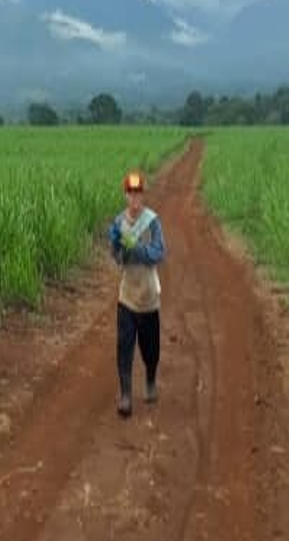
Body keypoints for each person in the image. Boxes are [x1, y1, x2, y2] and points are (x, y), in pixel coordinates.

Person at [109, 170, 166, 418]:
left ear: (143, 195)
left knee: (150, 350)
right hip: (127, 296)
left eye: (138, 193)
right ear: (125, 195)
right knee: (124, 347)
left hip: (149, 298)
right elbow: (117, 259)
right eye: (131, 193)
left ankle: (151, 380)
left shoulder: (152, 222)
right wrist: (117, 245)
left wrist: (137, 247)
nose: (134, 198)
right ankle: (125, 396)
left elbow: (158, 253)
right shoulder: (119, 223)